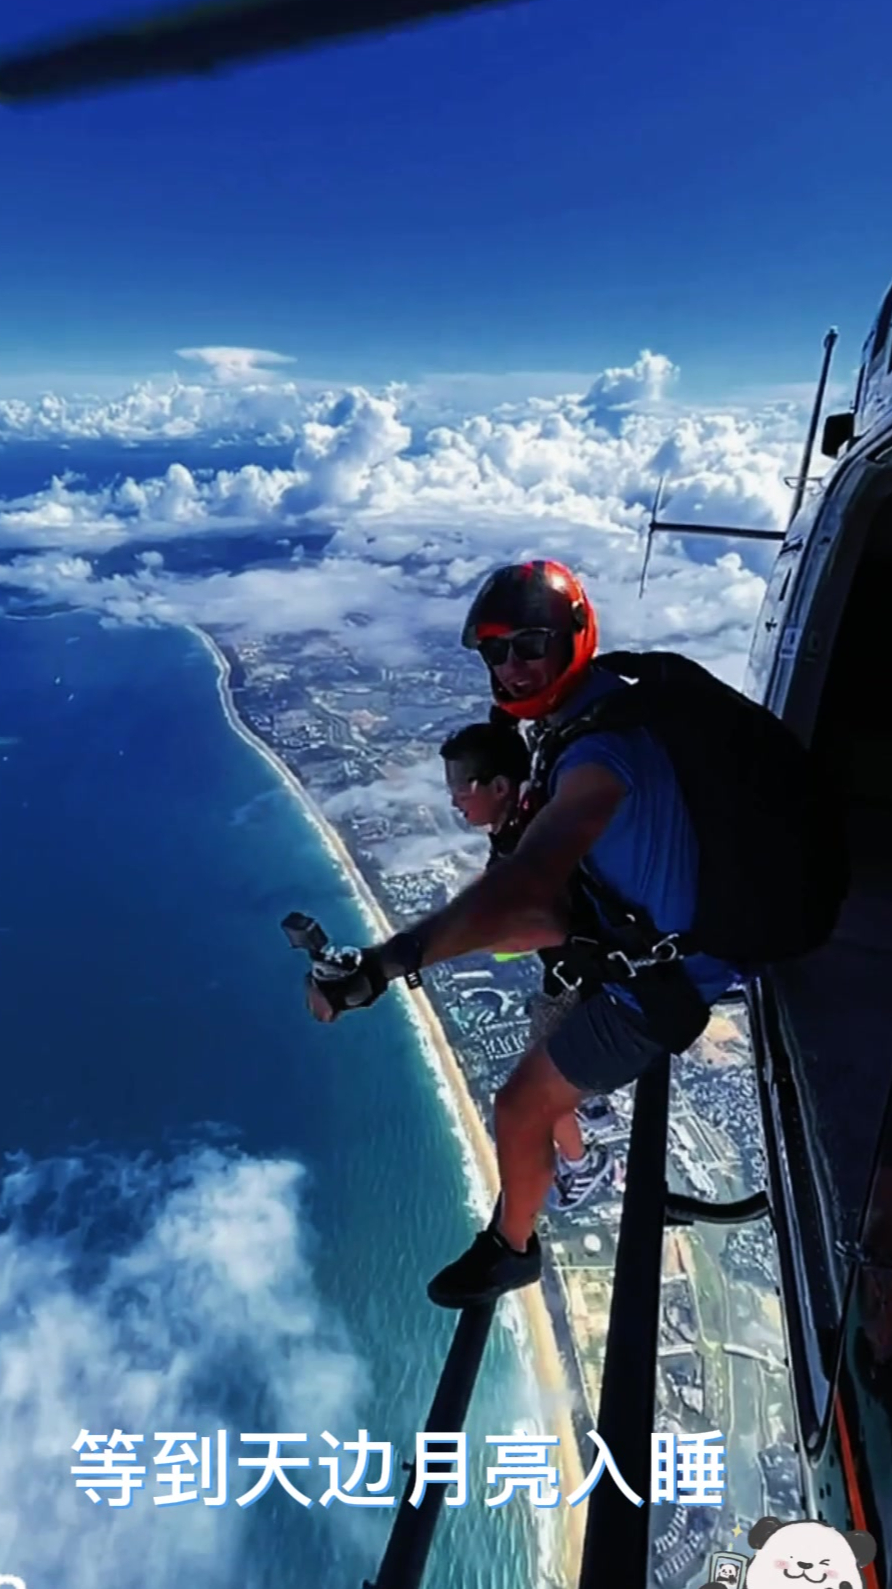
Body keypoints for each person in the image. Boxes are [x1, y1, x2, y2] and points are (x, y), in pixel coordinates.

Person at [305, 558, 742, 1309]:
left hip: (665, 985)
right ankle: (567, 1163)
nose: (510, 669)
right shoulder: (601, 712)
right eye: (495, 651)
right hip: (666, 951)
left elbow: (532, 889)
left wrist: (386, 964)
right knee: (544, 1056)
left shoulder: (598, 756)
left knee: (518, 1107)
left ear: (576, 637)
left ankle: (511, 1250)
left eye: (529, 645)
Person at [440, 719, 610, 1212]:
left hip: (581, 974)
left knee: (536, 1093)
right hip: (582, 969)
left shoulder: (523, 850)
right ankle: (590, 1104)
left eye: (461, 788)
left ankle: (583, 1164)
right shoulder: (533, 817)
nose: (455, 800)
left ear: (498, 786)